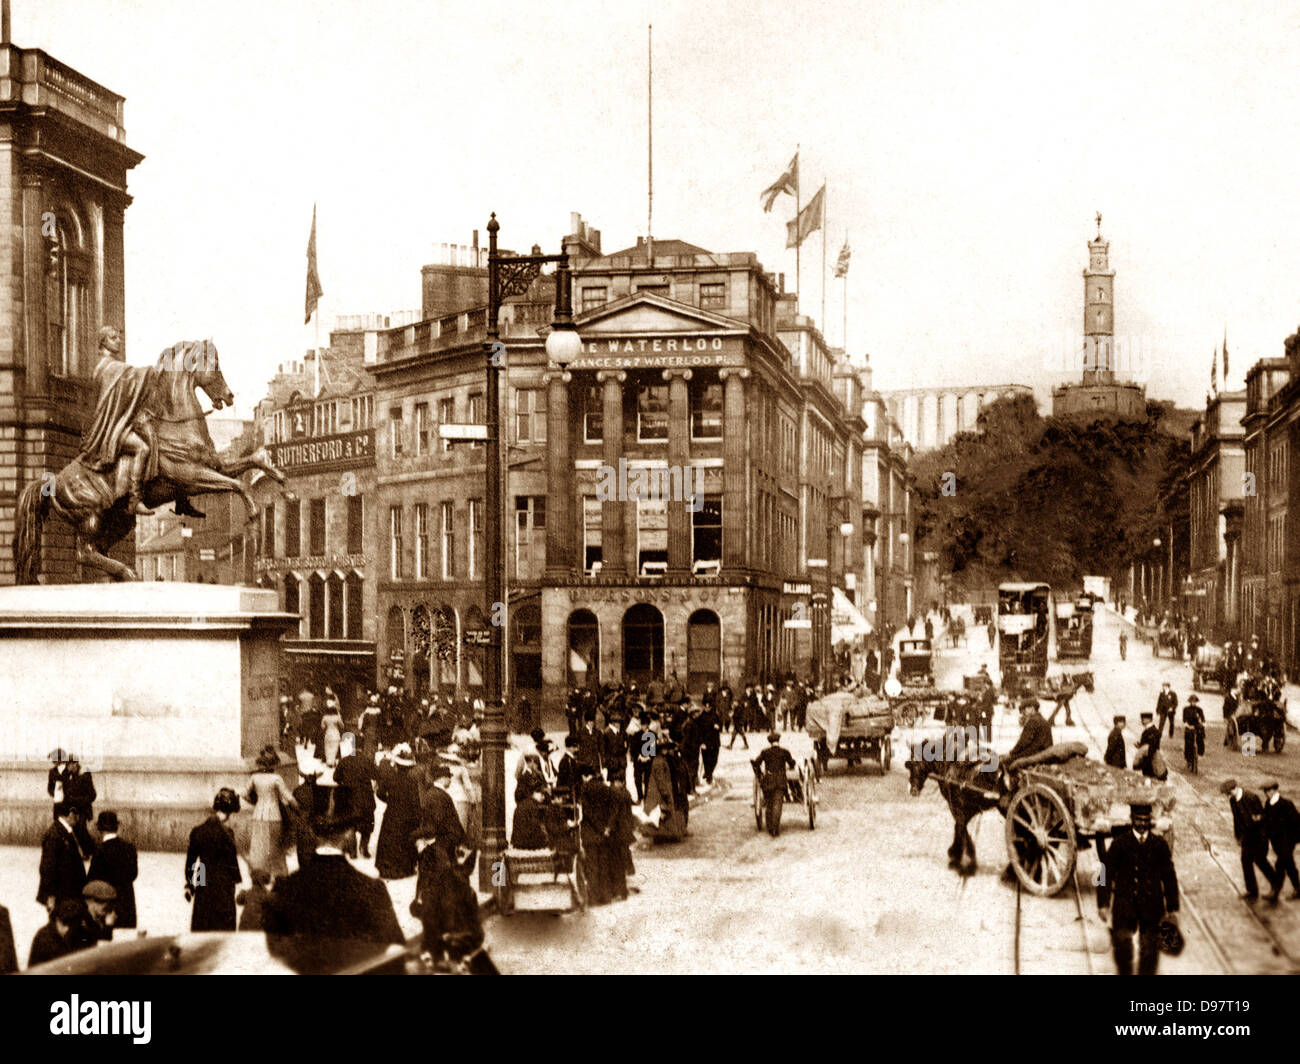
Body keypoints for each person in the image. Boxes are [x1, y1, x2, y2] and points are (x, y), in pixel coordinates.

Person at [263, 779, 405, 963]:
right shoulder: (372, 890)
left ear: (312, 832)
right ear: (348, 835)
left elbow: (274, 953)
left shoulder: (284, 889)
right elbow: (395, 954)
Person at [76, 325, 160, 516]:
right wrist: (157, 372)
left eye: (119, 337)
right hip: (108, 431)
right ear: (103, 341)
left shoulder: (108, 366)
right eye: (113, 337)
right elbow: (136, 379)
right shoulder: (111, 367)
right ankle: (135, 499)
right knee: (142, 448)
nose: (118, 340)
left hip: (113, 425)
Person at [1098, 803, 1180, 976]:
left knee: (1150, 951)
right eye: (1138, 820)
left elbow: (1169, 876)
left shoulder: (1159, 845)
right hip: (1124, 905)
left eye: (1145, 820)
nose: (1142, 824)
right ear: (1131, 820)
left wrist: (1173, 908)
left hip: (1152, 906)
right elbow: (1105, 872)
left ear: (1150, 821)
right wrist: (1103, 903)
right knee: (1122, 948)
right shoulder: (1119, 844)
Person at [185, 788, 242, 931]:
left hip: (203, 879)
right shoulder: (227, 833)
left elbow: (191, 863)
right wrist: (236, 879)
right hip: (224, 884)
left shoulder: (198, 831)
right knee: (223, 928)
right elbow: (232, 862)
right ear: (229, 812)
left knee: (202, 923)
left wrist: (190, 884)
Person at [243, 745, 298, 878]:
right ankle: (277, 873)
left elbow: (244, 794)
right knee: (275, 847)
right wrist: (298, 808)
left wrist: (255, 803)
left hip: (258, 815)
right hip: (274, 815)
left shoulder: (254, 778)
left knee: (258, 846)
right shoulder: (276, 778)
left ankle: (258, 872)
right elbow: (288, 797)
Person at [1221, 779, 1277, 902]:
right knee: (1245, 861)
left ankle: (1275, 884)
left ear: (1234, 789)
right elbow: (1236, 819)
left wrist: (1258, 819)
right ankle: (1252, 890)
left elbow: (1263, 816)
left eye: (1228, 793)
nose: (1227, 796)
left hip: (1259, 836)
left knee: (1260, 861)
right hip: (1247, 837)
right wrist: (1238, 836)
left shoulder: (1251, 797)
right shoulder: (1233, 801)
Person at [374, 744, 422, 879]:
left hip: (392, 813)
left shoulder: (391, 777)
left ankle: (385, 867)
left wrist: (389, 801)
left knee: (389, 839)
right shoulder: (411, 781)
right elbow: (415, 801)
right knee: (403, 840)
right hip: (406, 815)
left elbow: (380, 792)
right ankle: (404, 868)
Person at [87, 812, 137, 929]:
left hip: (106, 906)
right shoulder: (130, 848)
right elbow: (133, 874)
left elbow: (91, 881)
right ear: (116, 827)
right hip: (127, 905)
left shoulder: (100, 851)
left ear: (100, 829)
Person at [334, 732, 378, 859]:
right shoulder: (367, 760)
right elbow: (376, 775)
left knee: (351, 825)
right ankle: (364, 848)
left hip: (349, 798)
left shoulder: (344, 760)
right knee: (367, 824)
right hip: (366, 798)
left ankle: (352, 850)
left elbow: (335, 777)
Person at [1261, 780, 1300, 903]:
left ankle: (1275, 892)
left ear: (1274, 790)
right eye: (1265, 791)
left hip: (1287, 841)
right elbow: (1267, 822)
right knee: (1289, 865)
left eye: (1267, 791)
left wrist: (1293, 841)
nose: (1266, 794)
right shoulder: (1268, 804)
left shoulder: (1286, 804)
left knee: (1280, 865)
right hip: (1276, 842)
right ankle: (1298, 889)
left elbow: (1297, 822)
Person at [752, 732, 796, 838]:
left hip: (769, 781)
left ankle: (770, 827)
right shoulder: (784, 752)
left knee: (769, 804)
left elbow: (756, 763)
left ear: (770, 742)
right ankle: (775, 829)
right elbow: (792, 763)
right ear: (778, 741)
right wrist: (792, 763)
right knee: (778, 804)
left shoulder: (765, 752)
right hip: (781, 781)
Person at [28, 899, 88, 968]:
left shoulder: (81, 935)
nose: (67, 930)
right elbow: (34, 969)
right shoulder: (43, 938)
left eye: (72, 926)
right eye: (64, 924)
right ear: (57, 919)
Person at [1005, 699, 1053, 768]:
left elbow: (1023, 742)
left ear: (1032, 708)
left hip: (1033, 754)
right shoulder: (1043, 720)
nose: (1023, 712)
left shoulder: (1033, 721)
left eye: (1025, 709)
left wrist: (1012, 753)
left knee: (1001, 761)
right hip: (1044, 753)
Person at [510, 784, 550, 849]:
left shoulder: (523, 804)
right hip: (527, 843)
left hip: (517, 842)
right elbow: (535, 827)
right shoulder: (533, 806)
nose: (543, 797)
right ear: (534, 793)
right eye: (542, 794)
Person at [80, 880, 117, 944]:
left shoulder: (102, 920)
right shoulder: (83, 923)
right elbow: (99, 948)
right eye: (101, 901)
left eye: (108, 902)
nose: (105, 905)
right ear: (88, 901)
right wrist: (108, 927)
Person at [1134, 711, 1166, 780]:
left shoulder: (1153, 731)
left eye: (1143, 719)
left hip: (1152, 762)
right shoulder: (1148, 730)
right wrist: (1140, 746)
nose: (1142, 721)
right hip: (1149, 761)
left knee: (1151, 779)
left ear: (1149, 720)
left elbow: (1151, 748)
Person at [698, 699, 722, 786]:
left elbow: (720, 724)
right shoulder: (701, 717)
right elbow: (699, 731)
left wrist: (718, 726)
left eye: (709, 707)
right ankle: (709, 777)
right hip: (706, 742)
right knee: (706, 760)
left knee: (714, 759)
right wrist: (701, 743)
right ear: (704, 707)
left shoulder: (715, 715)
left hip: (715, 741)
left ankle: (709, 772)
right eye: (706, 707)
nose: (707, 708)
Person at [1182, 694, 1206, 767]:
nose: (1193, 703)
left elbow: (1203, 719)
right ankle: (1188, 759)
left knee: (1200, 738)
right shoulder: (1186, 709)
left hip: (1197, 727)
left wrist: (1202, 723)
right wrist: (1187, 725)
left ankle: (1200, 752)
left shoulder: (1199, 710)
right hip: (1189, 727)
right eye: (1192, 701)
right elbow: (1184, 720)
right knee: (1188, 743)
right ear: (1190, 702)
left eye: (1195, 701)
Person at [321, 698, 344, 766]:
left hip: (328, 734)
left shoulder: (325, 717)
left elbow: (322, 726)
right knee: (334, 748)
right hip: (335, 734)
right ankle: (333, 761)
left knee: (328, 748)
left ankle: (329, 762)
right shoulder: (337, 717)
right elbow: (342, 726)